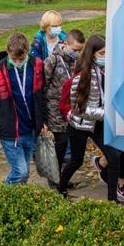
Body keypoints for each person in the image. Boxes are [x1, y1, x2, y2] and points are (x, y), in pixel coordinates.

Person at [57, 35, 120, 203]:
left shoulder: (102, 72)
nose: (105, 57)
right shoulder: (81, 76)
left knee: (114, 157)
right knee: (76, 161)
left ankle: (112, 199)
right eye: (102, 53)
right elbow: (80, 108)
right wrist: (105, 114)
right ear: (92, 54)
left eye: (107, 53)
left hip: (97, 124)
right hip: (79, 125)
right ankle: (60, 187)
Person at [0, 34, 45, 184]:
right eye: (14, 59)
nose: (18, 62)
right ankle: (3, 197)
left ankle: (18, 200)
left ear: (28, 51)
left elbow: (41, 96)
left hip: (30, 128)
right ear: (7, 51)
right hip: (10, 130)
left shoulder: (36, 65)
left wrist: (44, 120)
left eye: (21, 58)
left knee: (25, 171)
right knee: (20, 171)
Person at [43, 29, 85, 186]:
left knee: (68, 142)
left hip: (71, 107)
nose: (77, 53)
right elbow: (43, 85)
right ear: (65, 44)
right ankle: (54, 177)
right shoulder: (52, 60)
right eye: (75, 50)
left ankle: (60, 176)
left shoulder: (77, 61)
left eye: (80, 50)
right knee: (61, 142)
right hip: (54, 107)